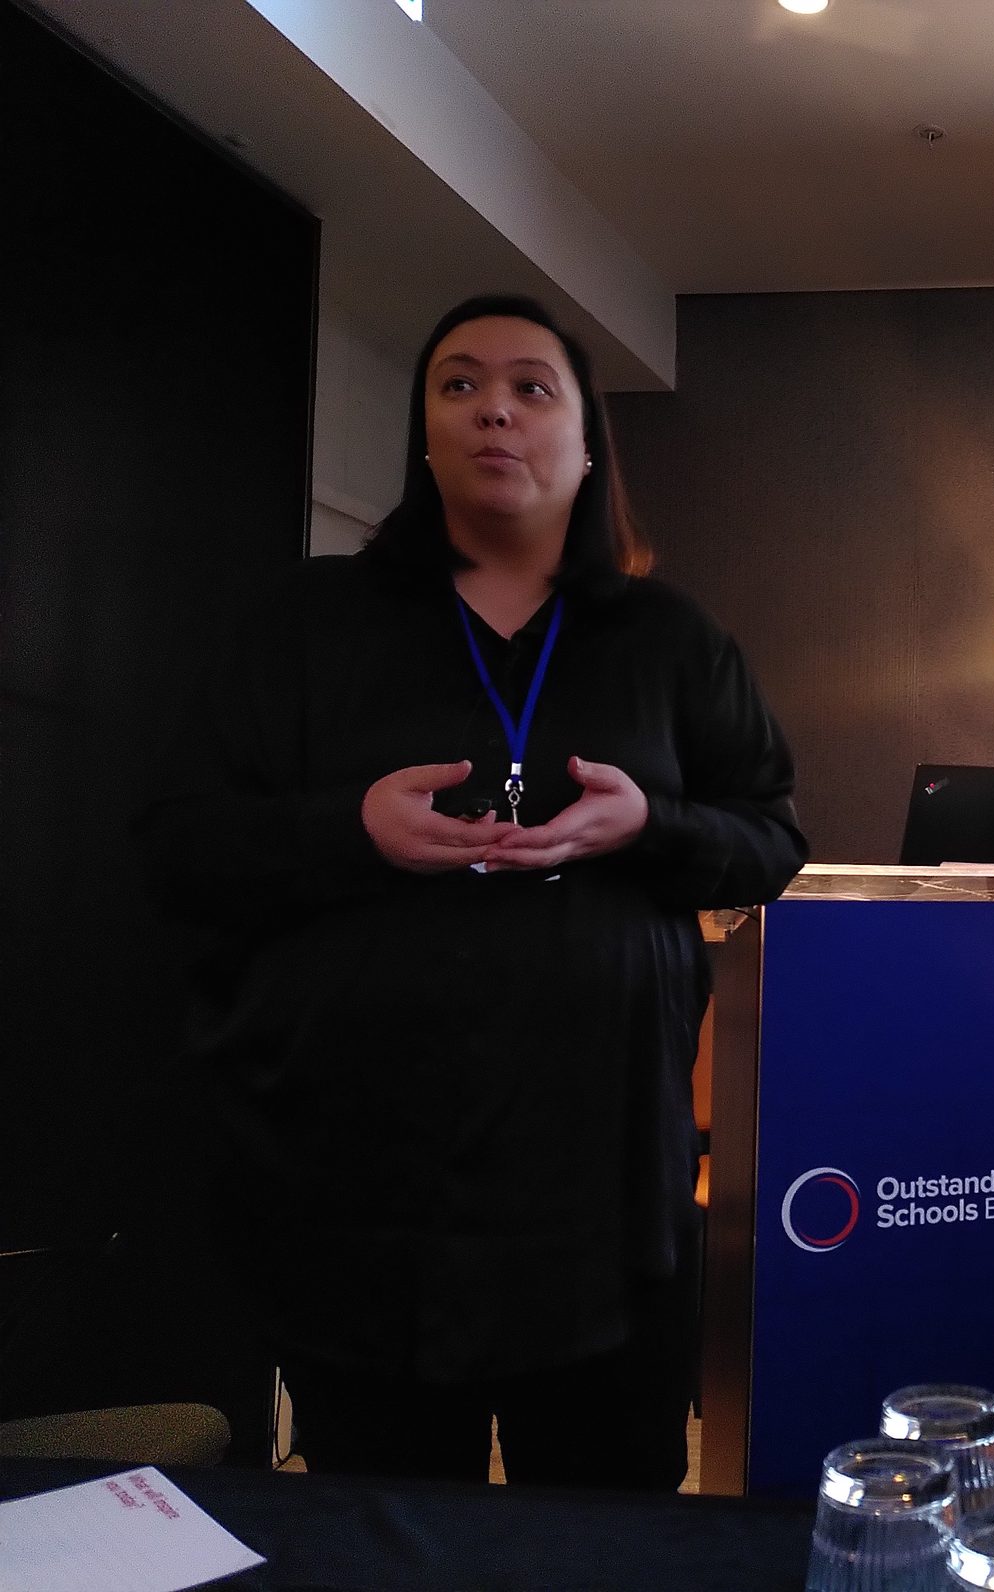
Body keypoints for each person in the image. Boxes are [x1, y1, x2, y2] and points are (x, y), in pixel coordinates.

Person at [136, 293, 808, 1491]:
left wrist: (649, 823)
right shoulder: (307, 622)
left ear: (588, 440)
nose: (493, 404)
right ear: (426, 435)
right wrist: (351, 826)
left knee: (604, 1534)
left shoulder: (669, 638)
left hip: (606, 1196)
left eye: (530, 385)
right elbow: (181, 846)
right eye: (458, 384)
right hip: (366, 1199)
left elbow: (771, 837)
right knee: (388, 1528)